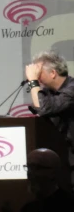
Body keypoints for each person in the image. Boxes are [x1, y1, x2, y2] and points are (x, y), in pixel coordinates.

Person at [25, 50, 74, 178]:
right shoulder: (48, 92)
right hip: (60, 157)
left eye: (38, 73)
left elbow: (44, 108)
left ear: (53, 73)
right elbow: (40, 108)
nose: (36, 77)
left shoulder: (72, 89)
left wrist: (33, 82)